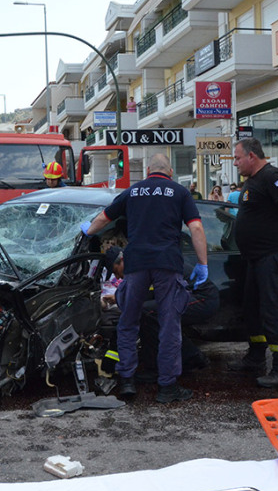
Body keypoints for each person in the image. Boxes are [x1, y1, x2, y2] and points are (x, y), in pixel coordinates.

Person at [84, 154, 208, 403]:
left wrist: (88, 231)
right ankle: (167, 387)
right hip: (167, 264)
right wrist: (202, 263)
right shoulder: (180, 192)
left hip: (136, 264)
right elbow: (195, 227)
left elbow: (104, 218)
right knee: (169, 326)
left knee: (128, 322)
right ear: (170, 172)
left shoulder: (133, 191)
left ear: (148, 170)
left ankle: (127, 381)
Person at [230, 138, 278, 387]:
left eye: (237, 158)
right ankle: (255, 357)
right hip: (255, 259)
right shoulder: (253, 180)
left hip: (272, 257)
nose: (235, 163)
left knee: (274, 311)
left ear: (251, 156)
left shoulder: (271, 176)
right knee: (252, 309)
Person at [105, 246, 216, 378]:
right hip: (183, 297)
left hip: (202, 298)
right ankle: (190, 357)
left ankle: (162, 366)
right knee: (148, 313)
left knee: (146, 313)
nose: (118, 277)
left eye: (116, 271)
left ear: (123, 260)